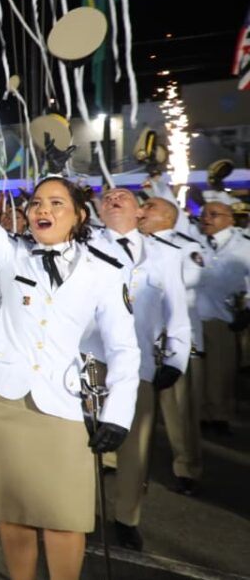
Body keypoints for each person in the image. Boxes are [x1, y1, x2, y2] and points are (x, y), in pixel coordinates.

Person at [0, 131, 139, 580]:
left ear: (80, 215)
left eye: (56, 203)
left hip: (64, 403)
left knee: (66, 517)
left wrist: (119, 415)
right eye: (36, 203)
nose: (43, 209)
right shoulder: (13, 255)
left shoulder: (106, 271)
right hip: (2, 403)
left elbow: (125, 348)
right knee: (13, 514)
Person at [83, 188, 190, 551]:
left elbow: (177, 312)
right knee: (84, 442)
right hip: (90, 359)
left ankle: (127, 518)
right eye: (108, 198)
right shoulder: (84, 246)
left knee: (135, 449)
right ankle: (81, 512)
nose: (113, 200)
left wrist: (176, 358)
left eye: (123, 197)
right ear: (99, 211)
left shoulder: (165, 255)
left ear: (140, 213)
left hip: (138, 364)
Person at [138, 195, 206, 495]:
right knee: (132, 406)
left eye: (149, 206)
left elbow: (190, 279)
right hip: (139, 339)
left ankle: (187, 466)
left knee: (178, 411)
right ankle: (120, 460)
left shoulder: (184, 248)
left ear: (168, 216)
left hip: (169, 340)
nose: (142, 211)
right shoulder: (133, 245)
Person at [193, 198, 250, 437]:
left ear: (229, 219)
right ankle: (201, 413)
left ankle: (220, 414)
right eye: (204, 214)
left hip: (222, 315)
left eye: (213, 214)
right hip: (194, 316)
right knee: (198, 372)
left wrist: (247, 309)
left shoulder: (244, 246)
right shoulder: (195, 242)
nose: (206, 219)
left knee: (220, 369)